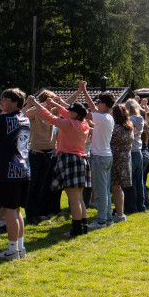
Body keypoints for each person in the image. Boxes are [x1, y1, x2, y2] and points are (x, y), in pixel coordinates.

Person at [28, 89, 92, 237]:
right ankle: (83, 225)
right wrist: (53, 103)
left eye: (70, 112)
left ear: (75, 114)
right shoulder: (84, 124)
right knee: (79, 197)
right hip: (82, 159)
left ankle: (76, 229)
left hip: (69, 159)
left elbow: (49, 117)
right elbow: (64, 112)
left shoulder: (69, 124)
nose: (67, 112)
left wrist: (37, 103)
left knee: (73, 198)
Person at [0, 88, 31, 261]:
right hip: (23, 169)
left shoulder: (4, 120)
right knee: (17, 210)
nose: (1, 103)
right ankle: (19, 246)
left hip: (8, 171)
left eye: (4, 100)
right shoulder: (24, 118)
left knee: (9, 211)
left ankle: (12, 249)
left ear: (14, 102)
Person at [78, 81, 116, 230]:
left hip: (100, 157)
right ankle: (107, 218)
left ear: (104, 104)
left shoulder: (103, 118)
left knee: (100, 191)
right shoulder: (106, 117)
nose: (97, 104)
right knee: (105, 189)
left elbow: (86, 114)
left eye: (99, 102)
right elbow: (93, 110)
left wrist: (67, 106)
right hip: (105, 156)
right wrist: (84, 92)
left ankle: (101, 220)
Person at [22, 90, 61, 225]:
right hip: (36, 153)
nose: (52, 103)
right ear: (44, 100)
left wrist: (80, 90)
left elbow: (68, 106)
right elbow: (24, 113)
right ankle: (31, 214)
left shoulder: (53, 113)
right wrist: (40, 105)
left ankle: (40, 212)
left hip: (49, 153)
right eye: (50, 100)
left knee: (43, 185)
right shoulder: (36, 112)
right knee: (33, 186)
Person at [122, 99, 145, 214]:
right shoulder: (140, 119)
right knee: (139, 181)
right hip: (138, 151)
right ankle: (141, 205)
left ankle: (131, 207)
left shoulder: (127, 120)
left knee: (130, 182)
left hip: (130, 151)